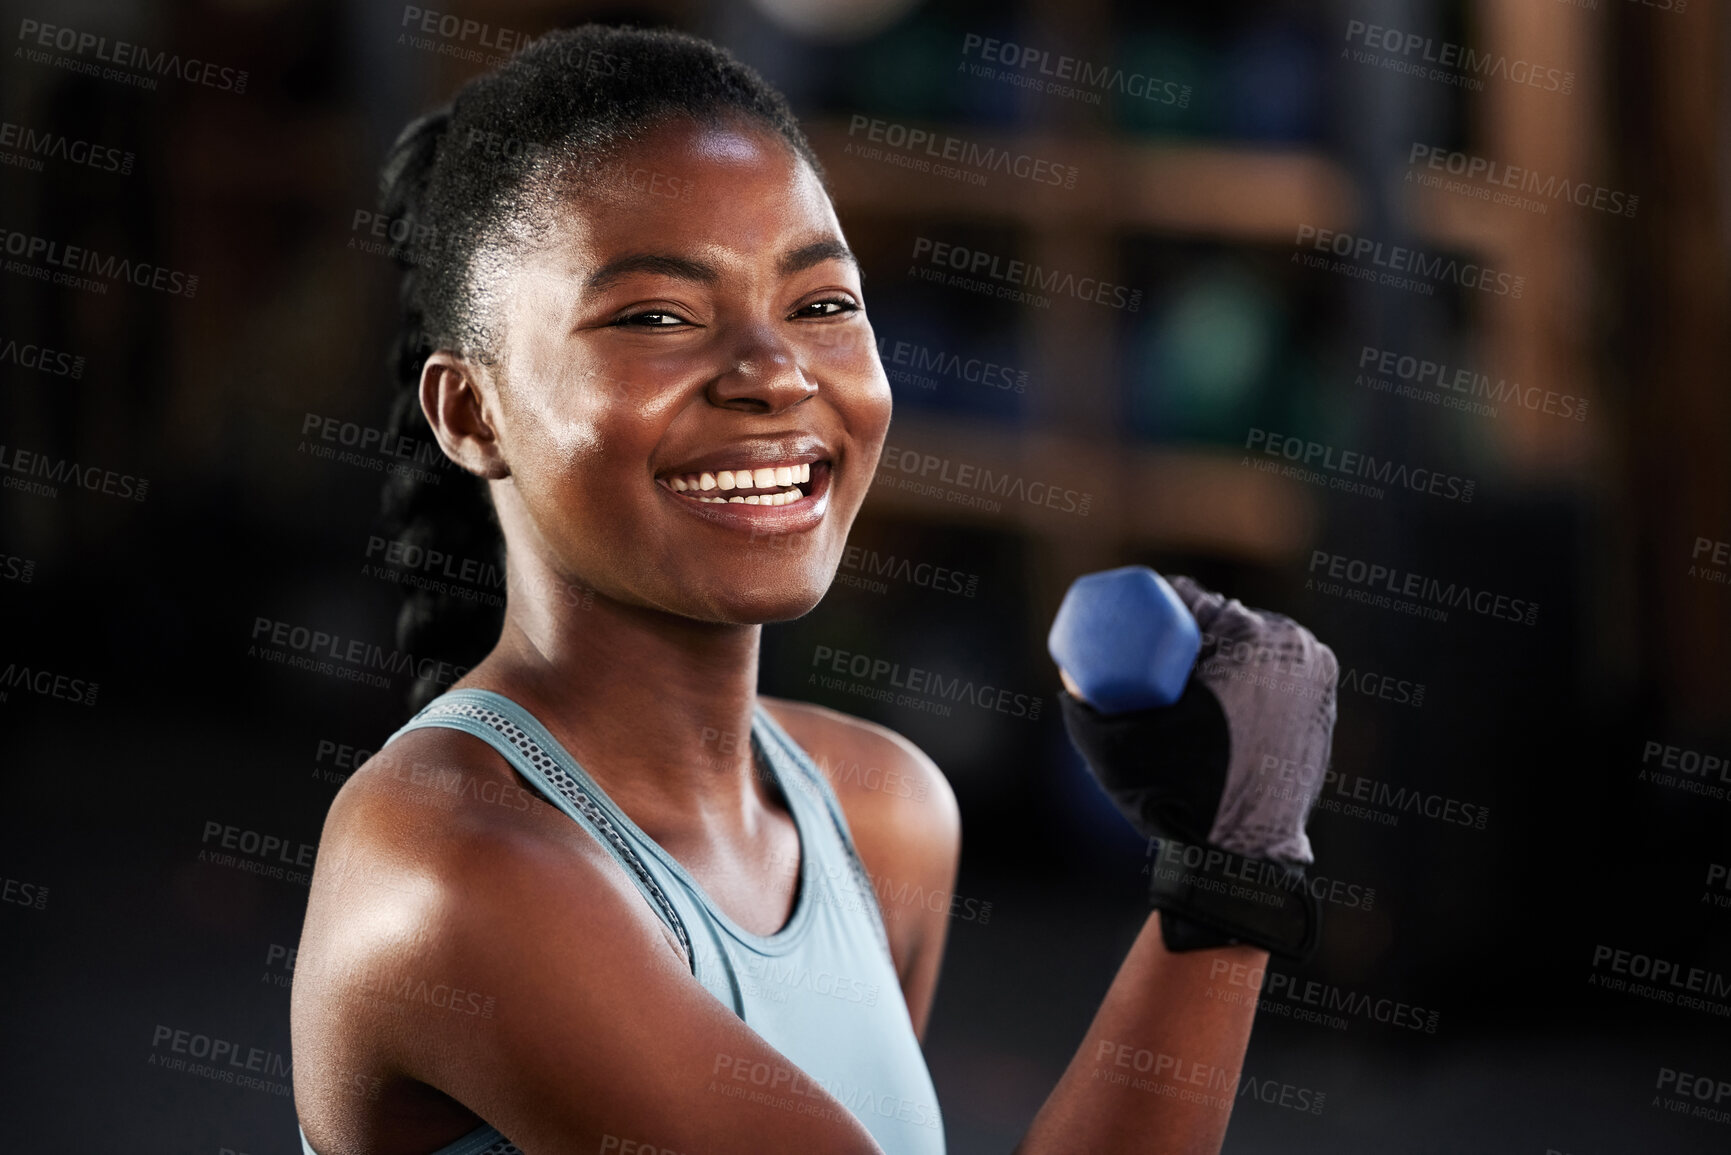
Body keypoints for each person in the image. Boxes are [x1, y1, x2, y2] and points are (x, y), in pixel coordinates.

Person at [290, 24, 1336, 1155]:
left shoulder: (883, 812)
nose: (777, 372)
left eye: (822, 304)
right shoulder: (453, 874)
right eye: (656, 317)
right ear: (470, 414)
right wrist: (1231, 883)